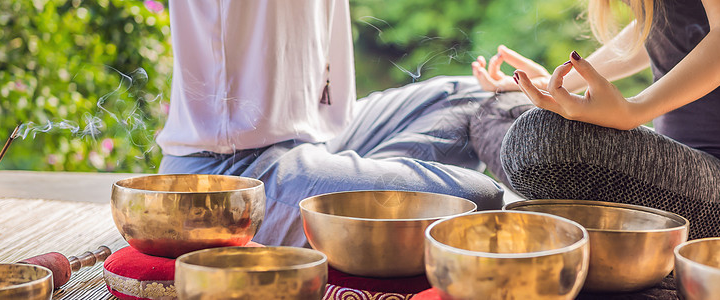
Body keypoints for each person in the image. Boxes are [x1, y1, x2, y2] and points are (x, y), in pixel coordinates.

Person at [156, 0, 518, 247]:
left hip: (323, 136)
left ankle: (356, 210)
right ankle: (359, 214)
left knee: (477, 99)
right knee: (472, 202)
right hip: (230, 174)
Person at [473, 0, 720, 243]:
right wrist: (558, 82)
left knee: (537, 139)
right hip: (690, 177)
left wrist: (634, 110)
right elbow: (656, 28)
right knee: (495, 115)